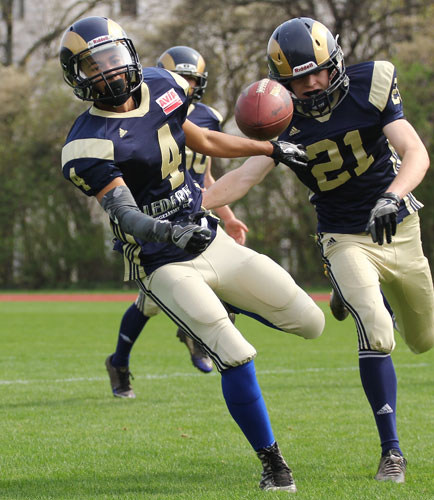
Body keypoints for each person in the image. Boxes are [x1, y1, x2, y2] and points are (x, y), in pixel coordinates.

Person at [59, 16, 325, 492]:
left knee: (312, 322)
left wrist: (269, 149)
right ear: (76, 77)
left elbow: (202, 141)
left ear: (131, 53)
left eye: (113, 57)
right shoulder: (86, 142)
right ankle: (272, 463)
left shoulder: (164, 85)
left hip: (208, 234)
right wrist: (171, 235)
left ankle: (227, 304)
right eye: (93, 66)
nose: (108, 72)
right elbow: (125, 214)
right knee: (235, 354)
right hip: (162, 260)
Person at [204, 17, 434, 483]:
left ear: (336, 63)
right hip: (342, 233)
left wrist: (392, 196)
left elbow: (415, 152)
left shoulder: (373, 83)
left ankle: (348, 288)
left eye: (318, 71)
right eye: (298, 78)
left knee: (422, 338)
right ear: (282, 82)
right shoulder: (279, 117)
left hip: (398, 226)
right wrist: (180, 210)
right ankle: (391, 450)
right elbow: (243, 179)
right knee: (375, 327)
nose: (311, 84)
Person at [106, 46, 248, 393]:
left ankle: (195, 332)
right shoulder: (147, 113)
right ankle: (120, 361)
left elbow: (206, 174)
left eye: (193, 79)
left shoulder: (209, 117)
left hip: (198, 216)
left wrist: (228, 216)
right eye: (181, 77)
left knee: (230, 280)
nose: (186, 84)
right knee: (149, 305)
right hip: (161, 222)